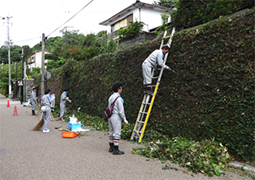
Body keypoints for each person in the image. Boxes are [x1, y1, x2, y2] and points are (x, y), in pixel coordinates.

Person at [107, 83, 129, 155]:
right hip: (116, 117)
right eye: (121, 88)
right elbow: (121, 110)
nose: (121, 90)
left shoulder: (111, 97)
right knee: (117, 132)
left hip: (110, 116)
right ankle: (116, 150)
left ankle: (111, 147)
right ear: (119, 89)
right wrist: (124, 119)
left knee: (111, 131)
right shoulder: (119, 99)